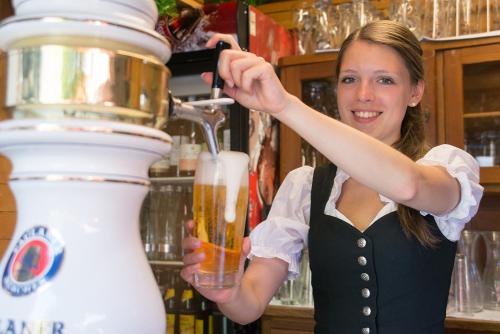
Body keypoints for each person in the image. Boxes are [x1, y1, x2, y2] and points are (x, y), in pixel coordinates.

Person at [181, 20, 483, 334]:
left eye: (385, 80)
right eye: (350, 79)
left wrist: (283, 105)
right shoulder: (307, 186)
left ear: (415, 92)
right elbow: (250, 304)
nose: (363, 95)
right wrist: (227, 290)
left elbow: (408, 185)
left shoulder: (447, 169)